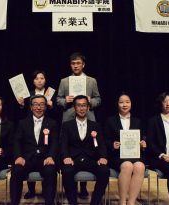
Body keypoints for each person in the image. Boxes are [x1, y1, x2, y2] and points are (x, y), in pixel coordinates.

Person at [57, 52, 101, 196]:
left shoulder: (91, 81)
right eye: (73, 63)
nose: (75, 66)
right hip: (69, 118)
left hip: (88, 117)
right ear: (70, 65)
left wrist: (90, 101)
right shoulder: (64, 81)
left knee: (87, 149)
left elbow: (98, 99)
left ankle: (83, 187)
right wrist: (66, 100)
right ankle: (71, 186)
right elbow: (58, 99)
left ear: (83, 64)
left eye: (78, 63)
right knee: (72, 148)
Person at [60, 95, 109, 205]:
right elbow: (63, 144)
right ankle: (73, 202)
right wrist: (66, 157)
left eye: (84, 105)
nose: (81, 108)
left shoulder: (95, 125)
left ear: (88, 107)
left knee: (104, 170)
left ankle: (95, 202)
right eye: (78, 105)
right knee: (67, 171)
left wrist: (103, 157)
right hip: (73, 159)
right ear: (74, 107)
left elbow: (101, 144)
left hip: (91, 159)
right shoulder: (66, 125)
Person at [16, 70, 58, 199]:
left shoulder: (51, 93)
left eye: (42, 78)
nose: (39, 80)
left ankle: (47, 191)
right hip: (31, 128)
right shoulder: (27, 94)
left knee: (46, 163)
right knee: (30, 150)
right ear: (33, 81)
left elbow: (58, 112)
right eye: (36, 78)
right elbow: (22, 115)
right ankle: (31, 190)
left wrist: (51, 106)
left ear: (45, 80)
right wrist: (22, 105)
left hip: (47, 127)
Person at [10, 95, 58, 205]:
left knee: (51, 171)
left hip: (45, 159)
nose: (39, 107)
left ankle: (50, 202)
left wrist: (51, 156)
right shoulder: (22, 123)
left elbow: (55, 143)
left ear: (46, 107)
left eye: (42, 104)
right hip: (26, 159)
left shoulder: (52, 123)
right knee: (16, 171)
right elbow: (16, 141)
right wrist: (18, 156)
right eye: (36, 104)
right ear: (31, 107)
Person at [104, 92, 146, 205]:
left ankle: (131, 202)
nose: (124, 104)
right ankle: (122, 201)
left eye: (127, 102)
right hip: (117, 156)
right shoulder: (110, 121)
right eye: (121, 102)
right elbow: (105, 140)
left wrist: (143, 144)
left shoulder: (138, 121)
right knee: (127, 165)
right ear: (117, 104)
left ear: (131, 104)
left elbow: (143, 138)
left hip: (135, 154)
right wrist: (112, 145)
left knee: (140, 166)